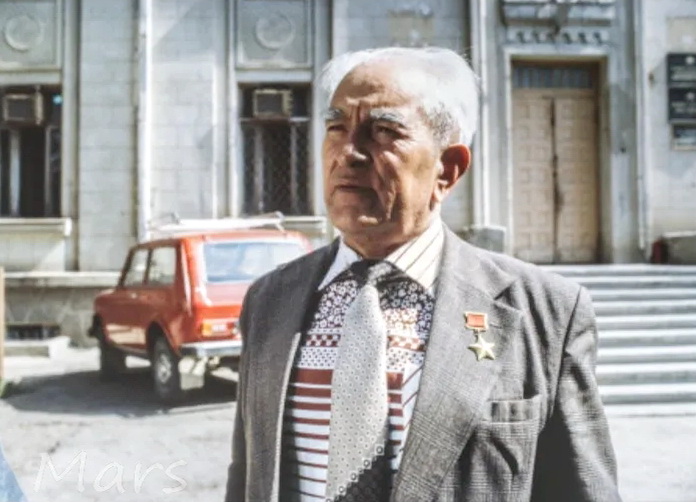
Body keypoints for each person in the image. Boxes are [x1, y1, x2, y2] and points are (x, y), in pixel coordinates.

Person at [225, 47, 621, 502]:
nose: (348, 153)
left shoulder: (544, 312)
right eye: (336, 127)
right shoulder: (270, 301)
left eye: (384, 132)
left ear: (447, 170)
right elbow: (247, 478)